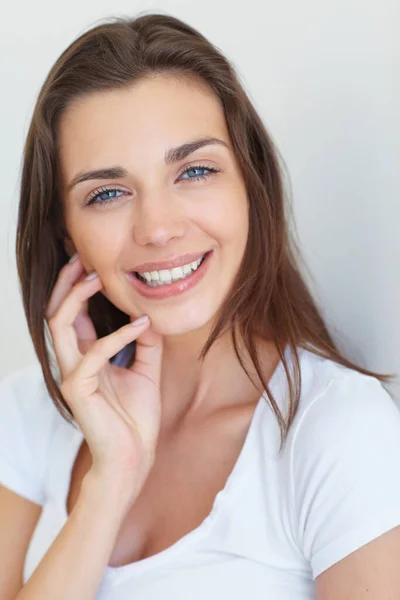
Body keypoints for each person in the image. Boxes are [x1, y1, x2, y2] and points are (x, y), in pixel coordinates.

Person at [1, 12, 400, 600]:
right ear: (67, 235)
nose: (159, 228)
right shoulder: (29, 414)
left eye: (195, 170)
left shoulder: (336, 430)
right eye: (107, 193)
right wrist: (111, 480)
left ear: (250, 185)